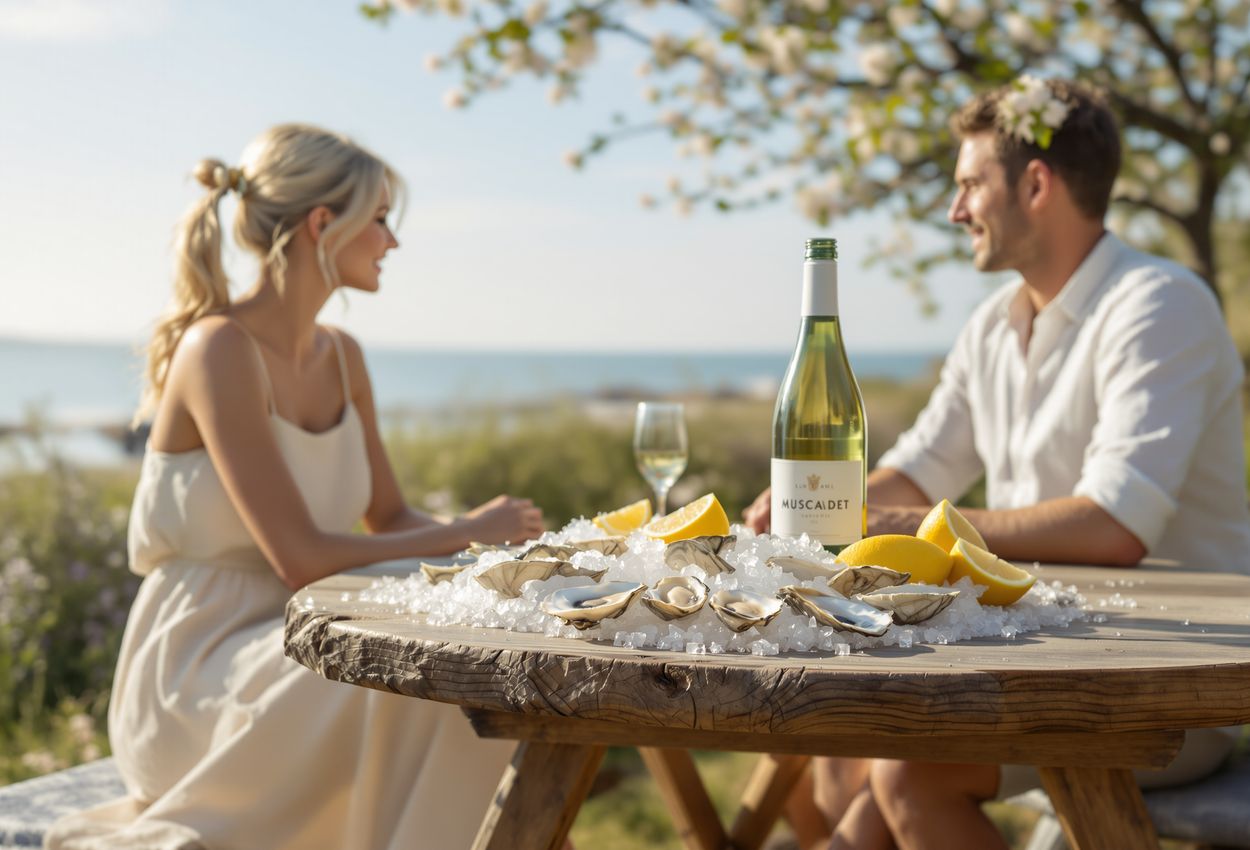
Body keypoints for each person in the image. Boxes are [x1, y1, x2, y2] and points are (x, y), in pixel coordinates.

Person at [744, 77, 1250, 850]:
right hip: (1044, 660)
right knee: (844, 748)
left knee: (908, 774)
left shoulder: (1160, 305)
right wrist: (805, 503)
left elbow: (1117, 525)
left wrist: (886, 522)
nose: (956, 211)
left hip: (1167, 679)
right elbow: (918, 470)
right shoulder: (992, 325)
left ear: (1036, 184)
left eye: (971, 184)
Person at [48, 124, 546, 850]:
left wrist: (499, 565)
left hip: (309, 632)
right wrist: (471, 527)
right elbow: (299, 558)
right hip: (200, 671)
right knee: (405, 674)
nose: (391, 242)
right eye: (379, 220)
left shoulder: (343, 357)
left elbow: (389, 515)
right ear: (323, 224)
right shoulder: (218, 349)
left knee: (460, 649)